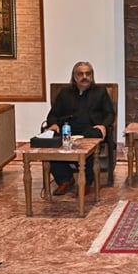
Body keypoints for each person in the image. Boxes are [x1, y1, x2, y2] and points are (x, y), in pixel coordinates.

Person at [45, 61, 114, 195]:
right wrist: (53, 125)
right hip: (68, 129)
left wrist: (104, 126)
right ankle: (65, 180)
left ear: (92, 76)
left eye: (88, 74)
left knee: (91, 138)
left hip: (91, 129)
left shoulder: (100, 92)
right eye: (80, 74)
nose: (84, 77)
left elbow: (110, 113)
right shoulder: (65, 93)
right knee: (52, 140)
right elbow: (53, 115)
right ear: (74, 77)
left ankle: (87, 182)